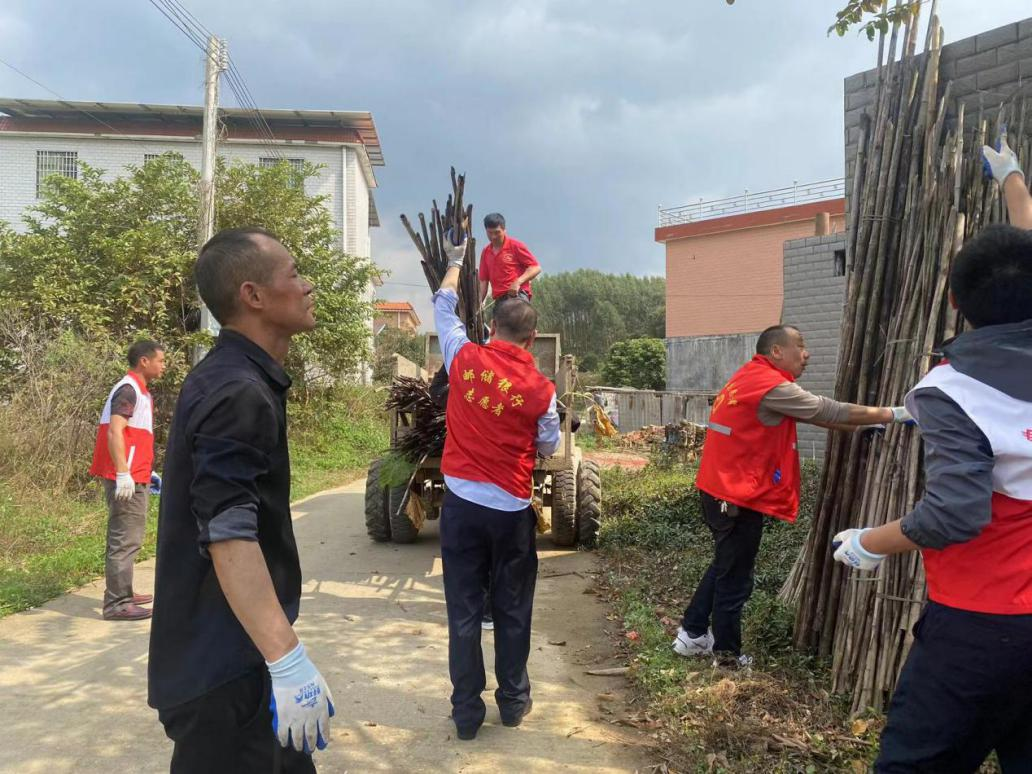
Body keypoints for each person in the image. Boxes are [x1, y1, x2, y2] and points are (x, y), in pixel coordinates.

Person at [833, 136, 1032, 772]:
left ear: (952, 302)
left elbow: (955, 515)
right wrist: (1013, 180)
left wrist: (870, 541)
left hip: (981, 628)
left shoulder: (954, 392)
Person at [148, 228, 333, 773]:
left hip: (236, 664)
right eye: (294, 274)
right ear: (253, 296)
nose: (308, 286)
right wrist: (287, 658)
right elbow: (230, 532)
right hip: (225, 678)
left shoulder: (235, 378)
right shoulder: (237, 392)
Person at [672, 325, 914, 668]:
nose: (807, 353)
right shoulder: (769, 385)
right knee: (736, 578)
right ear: (776, 352)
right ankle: (726, 656)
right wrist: (894, 413)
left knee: (727, 565)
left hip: (720, 489)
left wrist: (860, 426)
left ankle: (693, 633)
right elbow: (826, 409)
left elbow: (816, 415)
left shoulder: (750, 376)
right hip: (735, 496)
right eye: (800, 345)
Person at [434, 237, 560, 740]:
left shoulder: (462, 357)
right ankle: (513, 702)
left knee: (463, 609)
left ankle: (466, 712)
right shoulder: (542, 391)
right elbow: (547, 445)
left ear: (490, 329)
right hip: (511, 511)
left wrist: (457, 260)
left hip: (461, 508)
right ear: (532, 340)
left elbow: (443, 304)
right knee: (512, 608)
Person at [89, 339, 166, 621]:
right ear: (144, 361)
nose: (163, 365)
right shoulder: (128, 389)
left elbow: (135, 436)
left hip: (136, 473)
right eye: (160, 360)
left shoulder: (139, 391)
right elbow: (115, 432)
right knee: (125, 539)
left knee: (128, 536)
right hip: (126, 477)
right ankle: (117, 603)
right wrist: (124, 471)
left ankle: (124, 592)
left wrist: (147, 470)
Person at [478, 212, 542, 304]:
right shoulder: (486, 252)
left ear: (504, 230)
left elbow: (536, 268)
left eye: (497, 232)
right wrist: (479, 302)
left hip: (518, 296)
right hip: (499, 300)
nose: (493, 236)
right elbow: (484, 281)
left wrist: (517, 282)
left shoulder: (515, 246)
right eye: (490, 233)